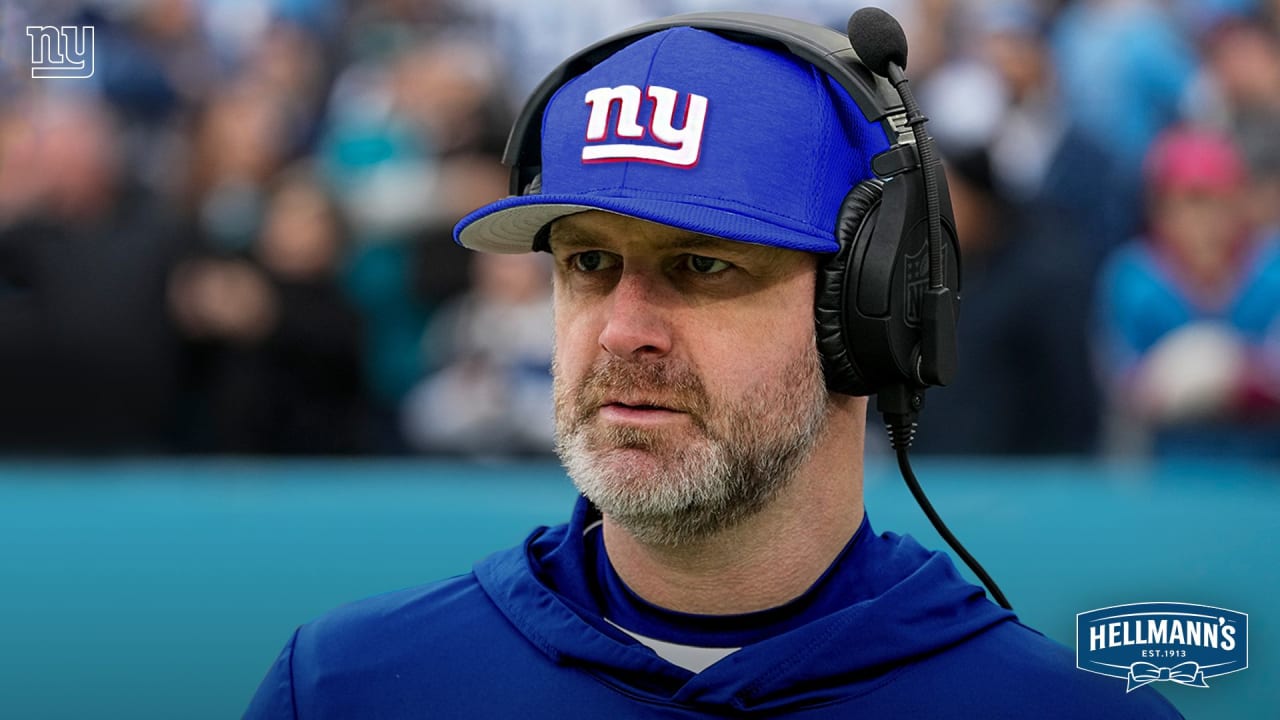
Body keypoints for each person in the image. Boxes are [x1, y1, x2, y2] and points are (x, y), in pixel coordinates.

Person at [245, 12, 1182, 718]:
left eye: (701, 264)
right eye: (588, 262)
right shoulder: (342, 689)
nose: (621, 331)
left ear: (869, 314)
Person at [1094, 126, 1280, 458]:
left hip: (1265, 470)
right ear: (1160, 211)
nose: (1206, 220)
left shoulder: (1271, 272)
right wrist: (1170, 381)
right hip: (1172, 473)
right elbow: (1121, 381)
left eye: (1219, 202)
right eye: (1191, 203)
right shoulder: (1134, 279)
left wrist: (1239, 379)